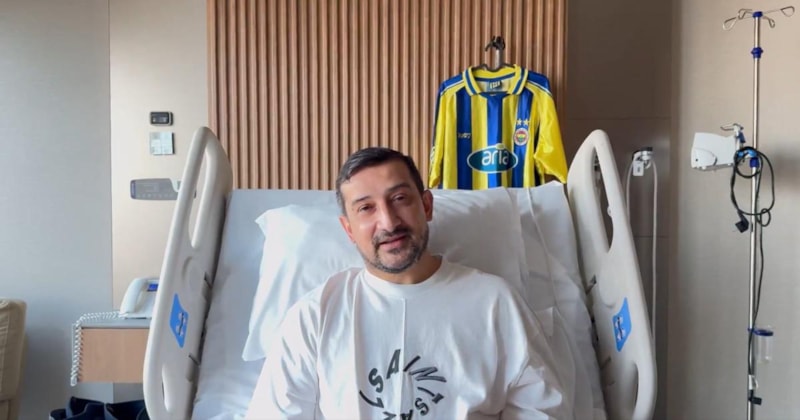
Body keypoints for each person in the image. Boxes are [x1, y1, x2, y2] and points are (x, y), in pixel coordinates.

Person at [246, 147, 568, 419]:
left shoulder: (495, 304)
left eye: (399, 198)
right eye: (366, 208)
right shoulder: (315, 316)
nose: (388, 222)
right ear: (349, 230)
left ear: (426, 205)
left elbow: (544, 411)